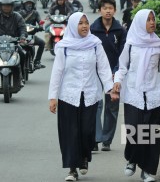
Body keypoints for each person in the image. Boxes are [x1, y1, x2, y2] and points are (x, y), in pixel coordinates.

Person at [48, 12, 114, 182]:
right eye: (80, 23)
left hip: (90, 93)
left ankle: (84, 157)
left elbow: (104, 68)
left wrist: (109, 88)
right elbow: (57, 72)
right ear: (72, 26)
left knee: (86, 130)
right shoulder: (64, 47)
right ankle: (72, 169)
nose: (84, 26)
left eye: (86, 23)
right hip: (68, 94)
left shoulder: (94, 44)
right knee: (70, 132)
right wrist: (53, 97)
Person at [112, 9, 160, 182]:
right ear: (140, 22)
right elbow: (122, 66)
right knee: (135, 128)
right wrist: (118, 81)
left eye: (153, 19)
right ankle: (132, 159)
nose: (152, 22)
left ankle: (148, 170)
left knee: (152, 134)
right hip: (133, 92)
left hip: (154, 93)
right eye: (148, 19)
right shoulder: (131, 44)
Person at [91, 0, 127, 152]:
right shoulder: (93, 29)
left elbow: (124, 53)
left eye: (110, 8)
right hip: (95, 73)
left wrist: (116, 72)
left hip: (114, 73)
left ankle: (106, 140)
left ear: (115, 10)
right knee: (96, 105)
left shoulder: (120, 31)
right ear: (100, 10)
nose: (108, 11)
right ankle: (95, 139)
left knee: (112, 107)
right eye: (105, 8)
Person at [19, 0, 46, 69]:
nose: (29, 5)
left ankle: (37, 61)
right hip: (21, 36)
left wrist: (40, 26)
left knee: (42, 43)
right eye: (27, 3)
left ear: (33, 4)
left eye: (30, 3)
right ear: (23, 4)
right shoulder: (18, 14)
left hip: (31, 35)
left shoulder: (35, 13)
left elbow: (39, 21)